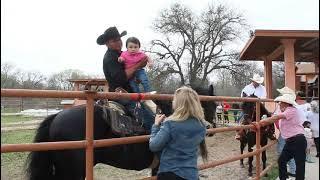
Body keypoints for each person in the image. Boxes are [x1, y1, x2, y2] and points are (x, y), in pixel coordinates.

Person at [97, 26, 155, 131]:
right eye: (114, 41)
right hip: (121, 95)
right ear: (107, 43)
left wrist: (137, 77)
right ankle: (152, 141)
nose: (119, 42)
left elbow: (129, 72)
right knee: (148, 119)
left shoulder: (122, 54)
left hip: (128, 92)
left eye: (119, 39)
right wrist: (138, 65)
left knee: (150, 111)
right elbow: (121, 79)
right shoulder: (110, 57)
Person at [149, 86, 208, 180]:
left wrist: (156, 125)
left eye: (174, 100)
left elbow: (154, 145)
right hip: (192, 174)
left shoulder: (170, 123)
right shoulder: (202, 125)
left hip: (170, 173)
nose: (172, 102)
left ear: (180, 104)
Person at [262, 93, 306, 180]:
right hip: (290, 141)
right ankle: (283, 178)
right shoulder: (285, 110)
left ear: (286, 103)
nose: (279, 104)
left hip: (298, 140)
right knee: (281, 161)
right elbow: (275, 116)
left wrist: (261, 123)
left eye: (280, 102)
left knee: (299, 165)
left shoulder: (291, 110)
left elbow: (276, 117)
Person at [274, 87, 297, 177]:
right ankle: (290, 171)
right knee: (282, 152)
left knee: (283, 152)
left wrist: (263, 121)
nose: (280, 101)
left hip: (287, 134)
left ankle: (292, 171)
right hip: (285, 133)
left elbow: (276, 117)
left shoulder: (289, 109)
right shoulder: (284, 107)